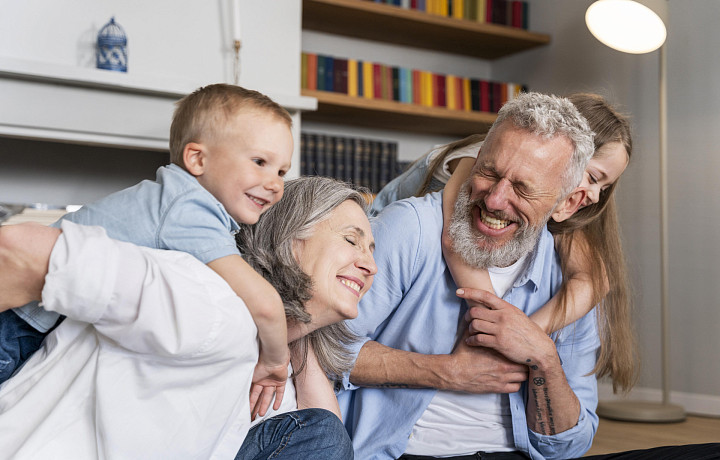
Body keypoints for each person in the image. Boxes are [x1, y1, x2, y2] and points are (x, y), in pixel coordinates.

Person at [0, 176, 376, 459]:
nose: (370, 265)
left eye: (372, 250)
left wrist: (293, 335)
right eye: (351, 240)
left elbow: (325, 438)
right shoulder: (199, 295)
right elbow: (20, 249)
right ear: (291, 239)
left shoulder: (272, 366)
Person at [337, 92, 599, 459]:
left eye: (522, 188)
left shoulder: (567, 282)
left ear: (567, 203)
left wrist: (544, 358)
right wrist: (445, 372)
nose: (494, 200)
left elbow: (569, 446)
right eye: (488, 172)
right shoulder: (410, 228)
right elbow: (318, 347)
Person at [1, 84, 293, 409]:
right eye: (259, 162)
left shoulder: (172, 200)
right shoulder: (190, 210)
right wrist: (276, 363)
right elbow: (265, 303)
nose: (275, 183)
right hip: (17, 324)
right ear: (197, 159)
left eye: (282, 171)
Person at [372, 93, 636, 393]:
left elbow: (595, 280)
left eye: (605, 186)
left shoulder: (558, 207)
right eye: (592, 177)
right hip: (372, 237)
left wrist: (527, 333)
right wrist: (495, 334)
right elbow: (454, 241)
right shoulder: (480, 160)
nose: (595, 195)